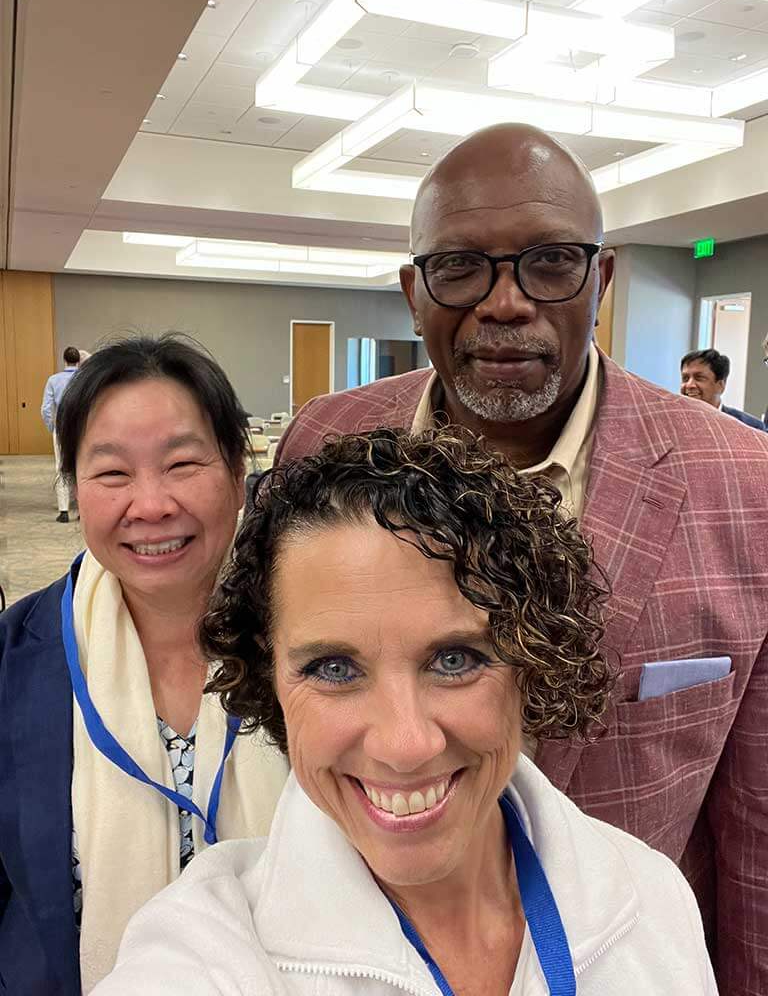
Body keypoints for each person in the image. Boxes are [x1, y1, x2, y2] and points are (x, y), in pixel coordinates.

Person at [274, 124, 768, 996]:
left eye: (550, 262)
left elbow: (757, 821)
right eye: (461, 267)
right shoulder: (326, 440)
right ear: (412, 292)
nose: (506, 302)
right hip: (359, 954)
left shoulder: (743, 484)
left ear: (602, 279)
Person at [93, 427, 715, 996]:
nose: (405, 743)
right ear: (270, 679)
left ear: (531, 660)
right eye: (334, 669)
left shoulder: (654, 901)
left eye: (454, 660)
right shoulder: (201, 956)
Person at [0, 334, 288, 995]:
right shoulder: (15, 660)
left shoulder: (322, 644)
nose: (151, 504)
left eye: (182, 464)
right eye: (111, 473)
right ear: (74, 485)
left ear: (239, 471)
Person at [680, 347, 766, 430]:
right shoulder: (671, 422)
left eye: (699, 378)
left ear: (720, 385)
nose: (689, 385)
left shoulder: (750, 426)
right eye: (685, 378)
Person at [41, 345, 81, 522]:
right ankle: (82, 510)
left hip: (62, 427)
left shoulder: (53, 380)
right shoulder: (84, 378)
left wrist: (53, 427)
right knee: (81, 466)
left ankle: (64, 511)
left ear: (64, 360)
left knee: (61, 467)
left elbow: (46, 409)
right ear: (78, 360)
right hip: (82, 427)